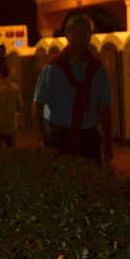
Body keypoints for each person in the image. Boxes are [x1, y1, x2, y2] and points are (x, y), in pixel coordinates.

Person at [33, 15, 113, 166]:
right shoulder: (53, 68)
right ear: (67, 35)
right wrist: (40, 138)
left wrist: (108, 142)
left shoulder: (98, 70)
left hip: (87, 138)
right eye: (76, 34)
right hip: (58, 137)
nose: (80, 39)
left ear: (90, 36)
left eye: (85, 34)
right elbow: (38, 103)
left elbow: (105, 107)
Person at [0, 62, 23, 147]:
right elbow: (20, 106)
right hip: (12, 124)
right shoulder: (15, 88)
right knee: (11, 148)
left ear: (0, 74)